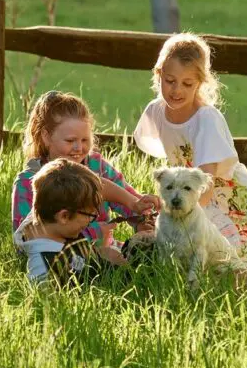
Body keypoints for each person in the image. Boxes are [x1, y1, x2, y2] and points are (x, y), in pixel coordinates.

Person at [133, 33, 247, 282]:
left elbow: (206, 186)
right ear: (158, 75)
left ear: (200, 83)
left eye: (187, 84)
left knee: (230, 269)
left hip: (230, 201)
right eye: (170, 80)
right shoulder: (156, 111)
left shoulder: (205, 119)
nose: (176, 90)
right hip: (191, 198)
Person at [12, 91, 160, 255]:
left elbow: (128, 200)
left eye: (84, 140)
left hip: (108, 249)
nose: (78, 148)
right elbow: (27, 239)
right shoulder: (28, 181)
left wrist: (142, 218)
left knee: (150, 254)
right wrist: (93, 233)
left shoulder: (97, 166)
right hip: (61, 258)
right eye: (70, 141)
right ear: (46, 137)